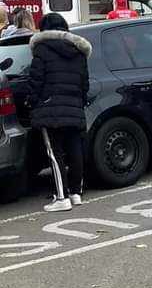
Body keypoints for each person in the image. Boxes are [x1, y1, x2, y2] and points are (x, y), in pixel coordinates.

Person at [28, 12, 91, 212]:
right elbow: (84, 83)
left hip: (50, 107)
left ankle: (61, 197)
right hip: (74, 107)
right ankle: (75, 193)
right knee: (75, 150)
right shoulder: (78, 51)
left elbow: (36, 80)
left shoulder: (42, 49)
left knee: (54, 154)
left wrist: (33, 102)